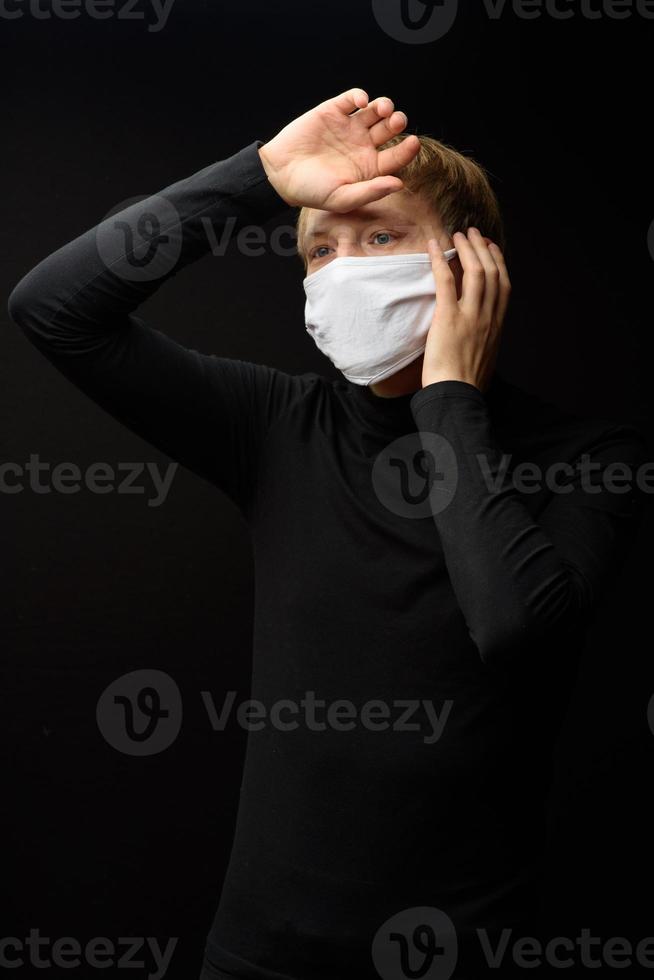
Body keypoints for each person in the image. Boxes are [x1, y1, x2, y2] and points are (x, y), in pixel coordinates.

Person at [7, 88, 645, 980]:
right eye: (319, 249)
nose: (342, 269)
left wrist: (450, 400)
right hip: (258, 959)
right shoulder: (275, 425)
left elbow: (516, 626)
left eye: (379, 237)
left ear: (472, 262)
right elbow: (54, 308)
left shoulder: (591, 458)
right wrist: (259, 176)